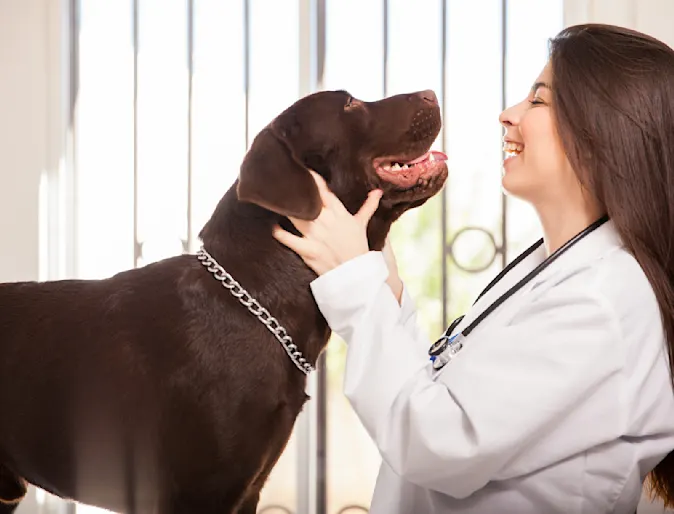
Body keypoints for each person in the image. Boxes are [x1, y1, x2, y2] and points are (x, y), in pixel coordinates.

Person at [272, 23, 674, 514]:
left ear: (603, 131)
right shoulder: (560, 267)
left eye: (539, 101)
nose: (508, 115)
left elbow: (437, 442)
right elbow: (445, 392)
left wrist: (357, 288)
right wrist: (382, 278)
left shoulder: (603, 299)